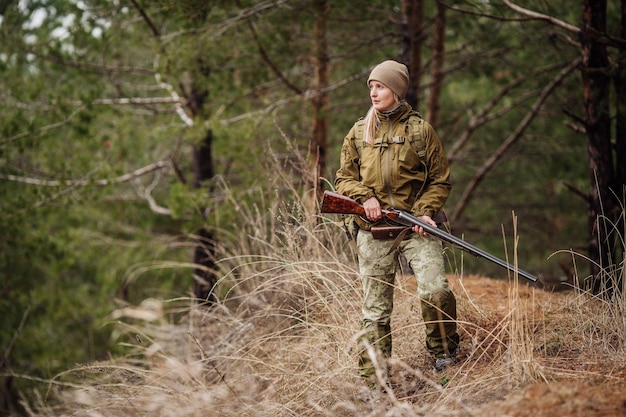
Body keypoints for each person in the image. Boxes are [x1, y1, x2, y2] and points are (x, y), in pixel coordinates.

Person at [334, 60, 459, 385]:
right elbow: (343, 179)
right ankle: (374, 381)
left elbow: (440, 180)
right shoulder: (359, 131)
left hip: (415, 226)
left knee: (436, 290)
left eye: (381, 86)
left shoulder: (420, 131)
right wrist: (365, 199)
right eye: (371, 87)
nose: (374, 92)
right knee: (375, 310)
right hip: (372, 230)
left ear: (397, 91)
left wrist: (425, 212)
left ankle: (444, 356)